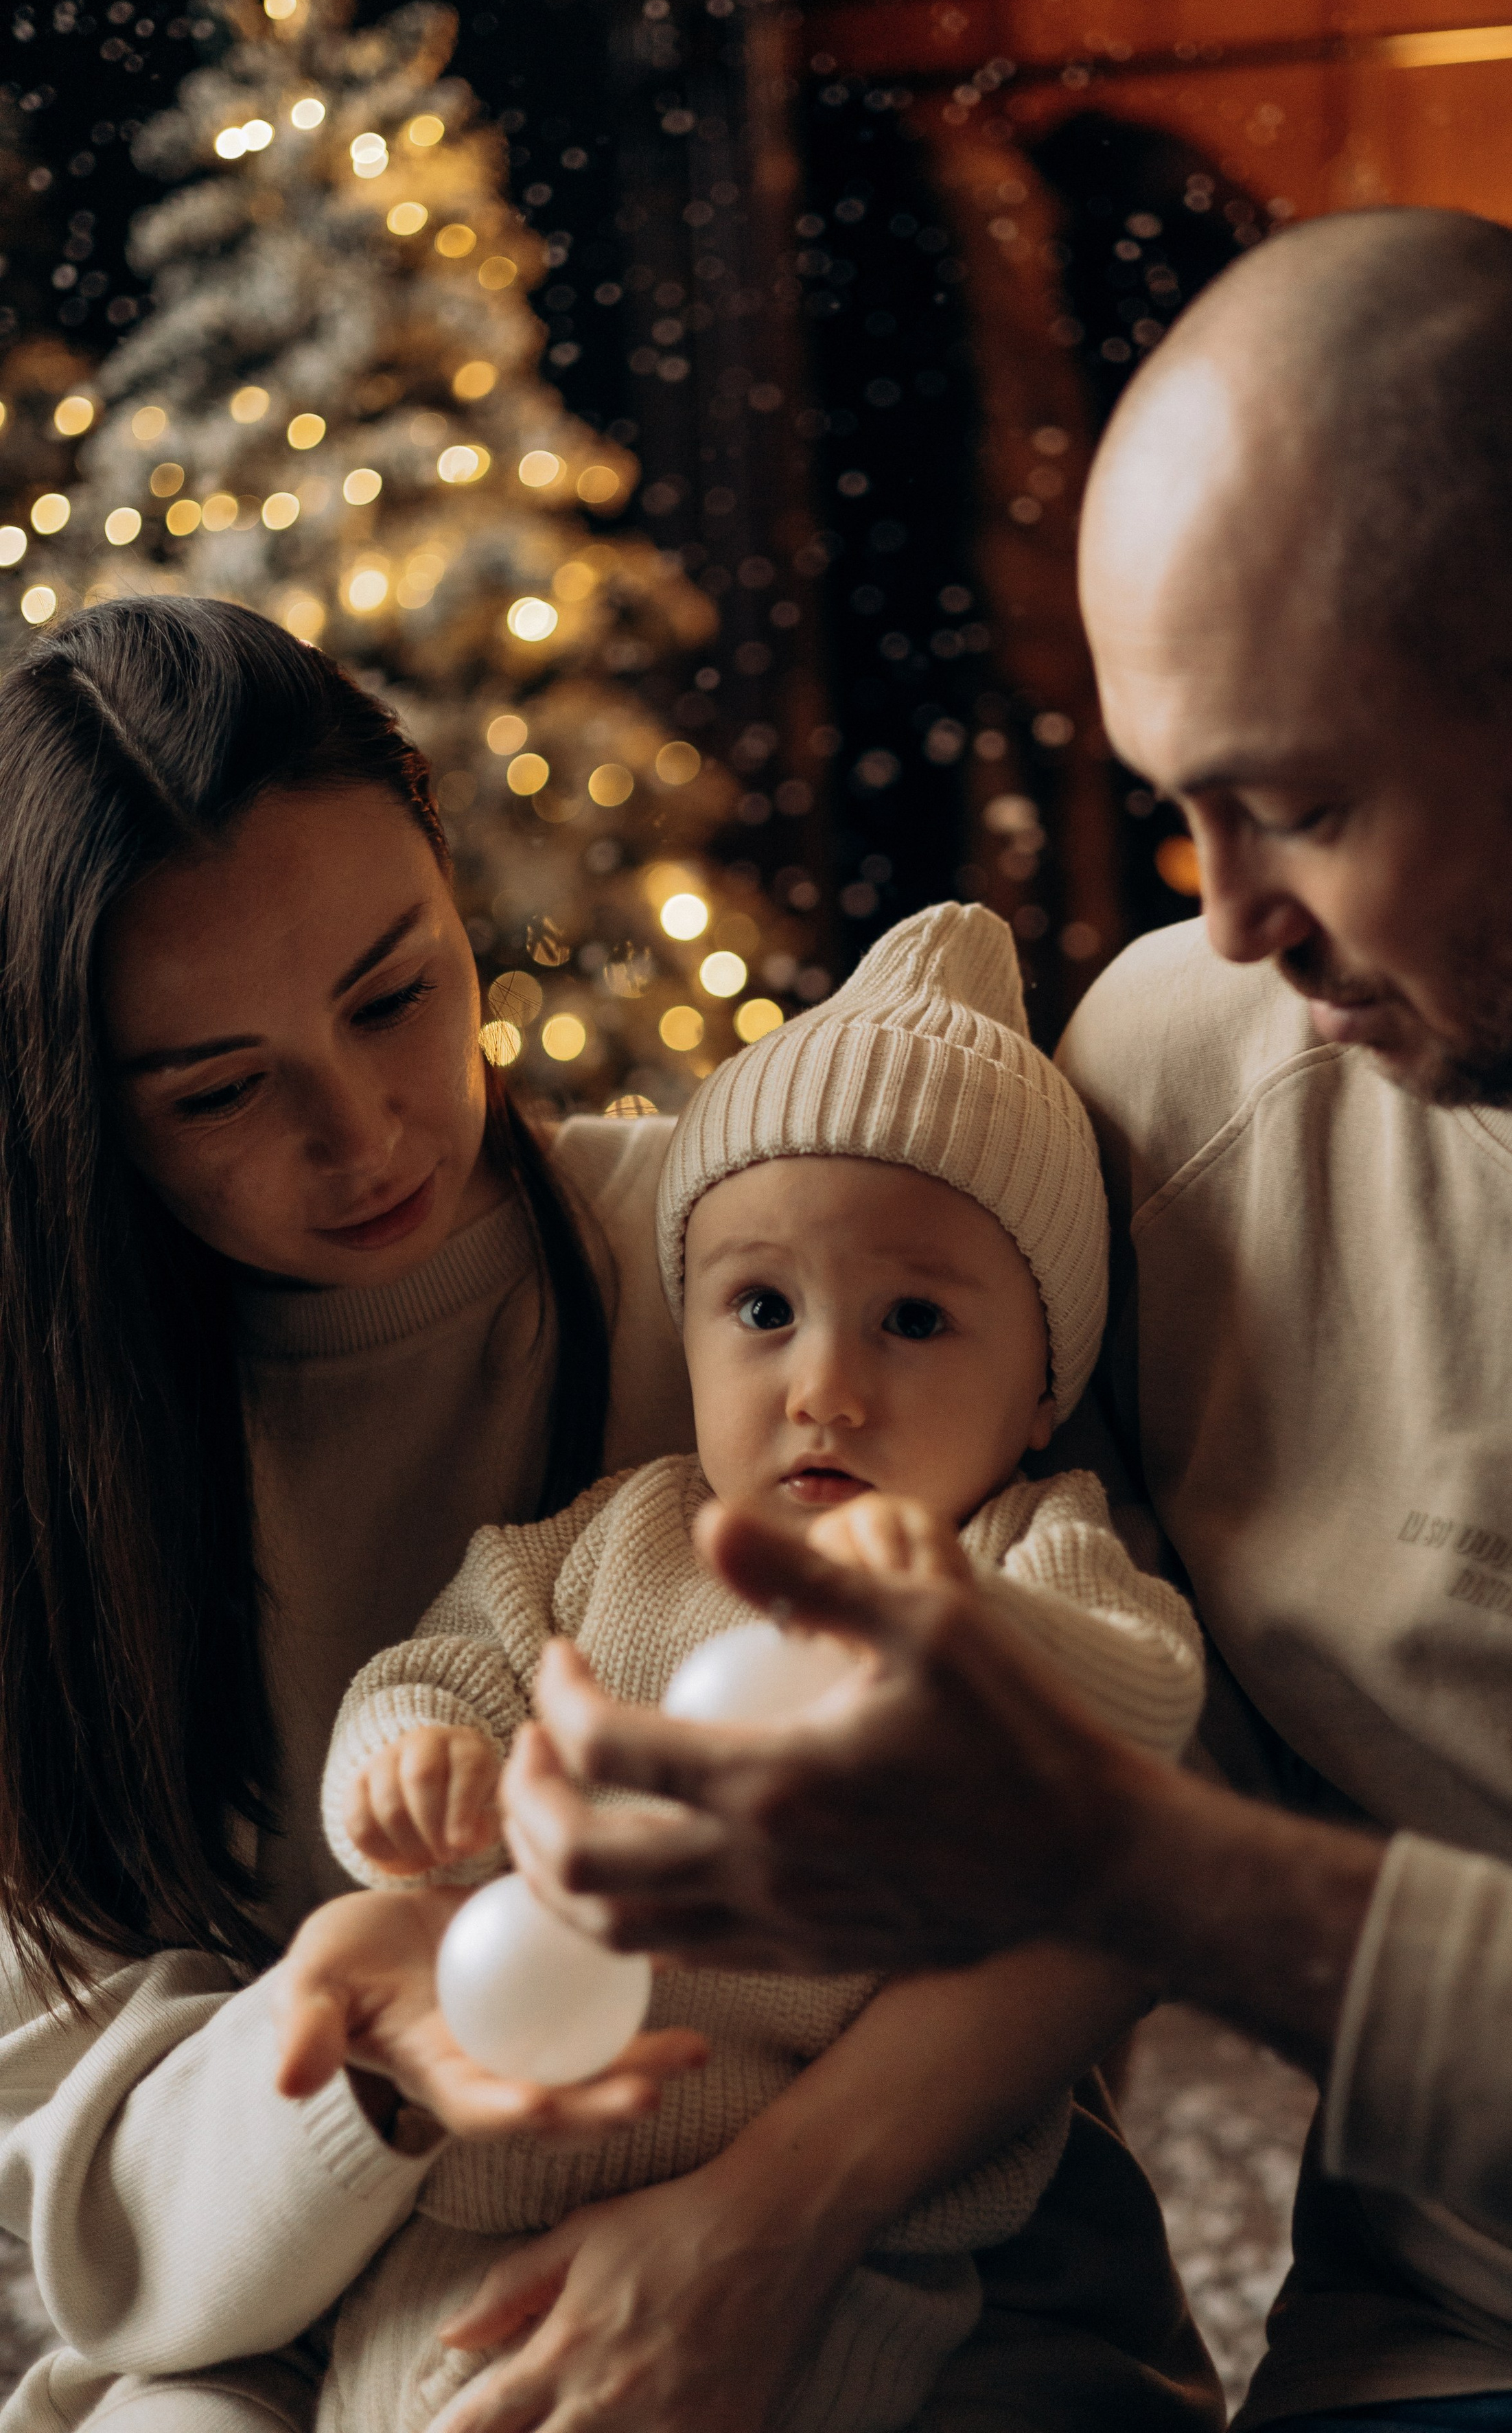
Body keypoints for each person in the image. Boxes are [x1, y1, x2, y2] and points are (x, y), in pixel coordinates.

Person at [496, 211, 1512, 2431]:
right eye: (1179, 808)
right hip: (1425, 2370)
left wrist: (1134, 1861)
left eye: (1305, 804)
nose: (1231, 918)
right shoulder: (1188, 1077)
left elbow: (1106, 1824)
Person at [0, 600, 1206, 2433]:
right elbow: (94, 2218)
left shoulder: (776, 1264)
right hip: (297, 2315)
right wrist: (370, 2067)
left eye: (398, 992)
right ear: (79, 1112)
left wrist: (757, 2231)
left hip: (886, 2250)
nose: (369, 1129)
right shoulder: (50, 1500)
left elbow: (1118, 1839)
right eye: (224, 1091)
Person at [278, 901, 1209, 2433]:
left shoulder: (1020, 1555)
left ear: (1042, 1385)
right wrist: (410, 1758)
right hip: (503, 2150)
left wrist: (971, 1641)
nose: (826, 1391)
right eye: (763, 1311)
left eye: (914, 1321)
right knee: (420, 2387)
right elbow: (445, 1658)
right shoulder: (617, 1539)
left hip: (850, 2223)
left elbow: (1138, 1711)